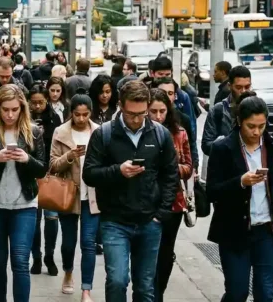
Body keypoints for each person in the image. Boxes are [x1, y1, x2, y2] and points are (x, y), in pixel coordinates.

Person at [82, 80, 178, 302]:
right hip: (115, 220)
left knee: (145, 288)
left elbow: (170, 176)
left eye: (142, 114)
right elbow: (90, 174)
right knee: (117, 280)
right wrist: (118, 171)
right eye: (131, 114)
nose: (137, 119)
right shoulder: (104, 134)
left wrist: (160, 214)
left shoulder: (160, 135)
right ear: (121, 107)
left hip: (149, 221)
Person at [207, 93, 273, 302]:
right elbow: (212, 191)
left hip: (266, 231)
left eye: (261, 126)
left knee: (265, 293)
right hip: (234, 231)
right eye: (251, 126)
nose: (257, 131)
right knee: (237, 292)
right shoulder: (222, 148)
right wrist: (240, 182)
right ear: (240, 121)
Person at [0, 84, 47, 302]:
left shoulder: (33, 132)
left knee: (20, 260)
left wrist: (27, 159)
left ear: (22, 109)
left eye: (15, 109)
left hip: (24, 205)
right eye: (5, 109)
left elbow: (43, 168)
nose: (10, 114)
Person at [50, 94, 100, 300]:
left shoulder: (99, 132)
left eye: (85, 114)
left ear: (90, 113)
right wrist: (70, 156)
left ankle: (86, 288)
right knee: (69, 242)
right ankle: (68, 272)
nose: (81, 119)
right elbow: (52, 165)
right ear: (71, 113)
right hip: (68, 194)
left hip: (92, 195)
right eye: (77, 114)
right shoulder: (60, 132)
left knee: (88, 243)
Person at [147, 89, 193, 302]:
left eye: (162, 111)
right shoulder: (142, 133)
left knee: (165, 252)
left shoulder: (179, 133)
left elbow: (188, 167)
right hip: (145, 200)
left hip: (173, 200)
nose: (158, 116)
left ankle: (158, 295)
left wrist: (170, 166)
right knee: (147, 252)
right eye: (153, 111)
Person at [28, 85, 64, 276]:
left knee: (51, 219)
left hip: (50, 173)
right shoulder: (24, 118)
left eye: (41, 102)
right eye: (33, 103)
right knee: (34, 220)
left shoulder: (54, 118)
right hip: (30, 172)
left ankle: (49, 256)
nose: (37, 106)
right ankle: (36, 257)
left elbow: (58, 145)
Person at [152, 77, 200, 173]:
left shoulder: (183, 120)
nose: (166, 97)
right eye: (162, 92)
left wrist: (194, 165)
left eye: (170, 93)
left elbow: (191, 145)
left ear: (175, 96)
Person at [202, 65, 252, 156]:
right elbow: (206, 145)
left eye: (247, 87)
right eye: (238, 87)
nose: (243, 91)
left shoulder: (258, 108)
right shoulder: (218, 110)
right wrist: (225, 143)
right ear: (229, 86)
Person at [149, 57, 197, 137]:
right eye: (160, 74)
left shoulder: (182, 96)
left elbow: (191, 124)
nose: (164, 77)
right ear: (153, 74)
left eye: (167, 74)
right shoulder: (146, 93)